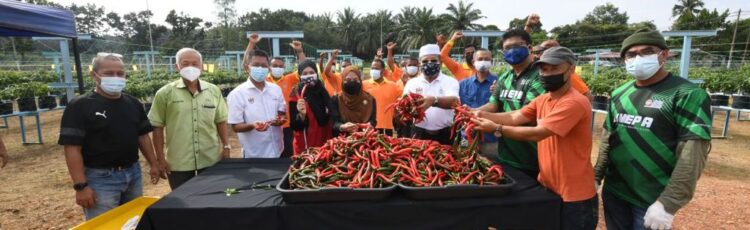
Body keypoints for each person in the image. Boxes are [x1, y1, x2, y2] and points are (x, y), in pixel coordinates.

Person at [594, 29, 712, 230]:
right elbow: (608, 140)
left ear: (663, 55)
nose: (637, 58)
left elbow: (692, 153)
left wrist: (668, 203)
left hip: (652, 198)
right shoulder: (619, 93)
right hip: (615, 192)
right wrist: (596, 176)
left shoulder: (687, 94)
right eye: (631, 54)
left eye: (646, 52)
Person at [473, 47, 597, 230]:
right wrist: (480, 114)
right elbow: (515, 116)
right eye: (543, 69)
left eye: (554, 69)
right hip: (548, 185)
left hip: (574, 193)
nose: (547, 74)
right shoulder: (544, 99)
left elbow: (537, 133)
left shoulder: (574, 102)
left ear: (571, 69)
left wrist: (496, 128)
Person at [58, 53, 161, 220]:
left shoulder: (133, 103)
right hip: (100, 178)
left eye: (120, 74)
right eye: (109, 73)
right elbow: (72, 147)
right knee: (105, 222)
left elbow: (142, 137)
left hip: (133, 173)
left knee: (133, 220)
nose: (116, 77)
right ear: (94, 75)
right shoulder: (80, 106)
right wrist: (81, 186)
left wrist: (153, 164)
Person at [148, 48, 229, 190]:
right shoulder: (165, 93)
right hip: (179, 163)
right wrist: (160, 159)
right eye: (185, 64)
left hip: (210, 159)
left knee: (211, 200)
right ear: (176, 66)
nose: (190, 67)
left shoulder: (213, 91)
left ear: (202, 66)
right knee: (184, 204)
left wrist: (226, 146)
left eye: (195, 64)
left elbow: (220, 121)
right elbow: (157, 127)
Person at [476, 29, 545, 179]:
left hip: (533, 157)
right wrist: (471, 111)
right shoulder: (505, 77)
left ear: (529, 47)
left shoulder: (539, 76)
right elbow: (493, 105)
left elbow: (527, 115)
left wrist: (481, 115)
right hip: (506, 154)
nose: (512, 50)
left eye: (518, 45)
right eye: (507, 48)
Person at [243, 33, 306, 158]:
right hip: (266, 125)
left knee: (287, 156)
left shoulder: (290, 79)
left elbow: (303, 67)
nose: (278, 68)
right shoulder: (262, 79)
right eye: (275, 66)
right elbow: (247, 64)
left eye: (281, 66)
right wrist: (251, 44)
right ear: (269, 67)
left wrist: (299, 51)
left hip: (286, 125)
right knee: (268, 156)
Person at [227, 49, 287, 158]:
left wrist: (279, 121)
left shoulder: (276, 89)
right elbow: (236, 126)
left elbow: (281, 113)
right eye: (256, 65)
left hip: (278, 149)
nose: (260, 68)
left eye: (264, 66)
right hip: (254, 153)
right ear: (247, 67)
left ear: (269, 68)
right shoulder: (237, 94)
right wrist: (253, 125)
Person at [401, 44, 460, 145]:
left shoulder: (451, 81)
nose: (429, 63)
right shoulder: (412, 83)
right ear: (420, 64)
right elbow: (405, 104)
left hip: (445, 134)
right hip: (419, 132)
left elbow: (454, 101)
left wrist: (434, 100)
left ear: (440, 63)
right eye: (425, 61)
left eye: (433, 61)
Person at [458, 48, 499, 160]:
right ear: (473, 62)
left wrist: (499, 92)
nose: (483, 61)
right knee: (465, 165)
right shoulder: (462, 84)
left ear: (491, 61)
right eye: (480, 59)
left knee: (492, 168)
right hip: (467, 136)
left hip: (490, 138)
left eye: (487, 59)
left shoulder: (500, 83)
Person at [289, 60, 334, 154]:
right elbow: (294, 125)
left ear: (316, 74)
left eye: (311, 72)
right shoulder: (296, 94)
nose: (308, 75)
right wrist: (301, 115)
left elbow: (332, 112)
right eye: (305, 73)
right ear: (300, 76)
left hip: (324, 139)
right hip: (305, 143)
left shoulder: (322, 90)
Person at [331, 66, 377, 136]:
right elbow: (334, 122)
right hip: (341, 141)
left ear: (360, 81)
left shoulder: (370, 99)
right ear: (343, 80)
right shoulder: (336, 99)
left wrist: (369, 125)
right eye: (348, 79)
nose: (352, 82)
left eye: (355, 79)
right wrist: (342, 127)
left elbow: (373, 121)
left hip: (365, 139)